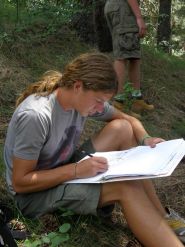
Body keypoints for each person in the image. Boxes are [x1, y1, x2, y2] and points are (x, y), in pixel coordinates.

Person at [3, 53, 185, 247]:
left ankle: (163, 217)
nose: (100, 108)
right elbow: (21, 183)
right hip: (32, 197)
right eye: (98, 101)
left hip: (63, 170)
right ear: (78, 86)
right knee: (125, 186)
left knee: (122, 128)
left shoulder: (78, 100)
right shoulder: (36, 116)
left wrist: (145, 139)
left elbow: (129, 120)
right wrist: (76, 171)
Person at [104, 0, 154, 113]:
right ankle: (118, 102)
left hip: (117, 8)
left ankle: (137, 99)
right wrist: (139, 18)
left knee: (133, 55)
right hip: (123, 8)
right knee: (122, 56)